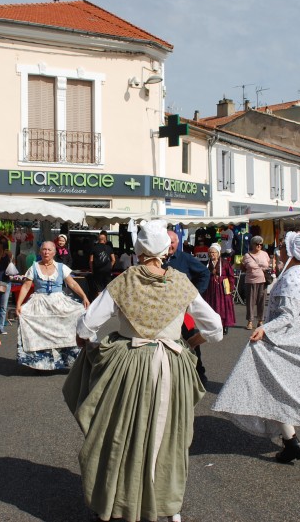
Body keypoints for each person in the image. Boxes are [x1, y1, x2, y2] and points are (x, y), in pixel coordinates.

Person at [63, 220, 223, 522]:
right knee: (168, 435)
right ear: (166, 250)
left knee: (121, 433)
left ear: (138, 250)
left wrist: (88, 343)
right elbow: (215, 328)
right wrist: (190, 341)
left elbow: (86, 325)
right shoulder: (181, 283)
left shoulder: (124, 281)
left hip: (130, 364)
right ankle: (168, 505)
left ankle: (118, 501)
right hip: (172, 365)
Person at [213, 232, 300, 464]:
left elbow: (288, 314)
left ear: (292, 251)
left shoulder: (293, 277)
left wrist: (265, 330)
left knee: (273, 381)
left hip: (296, 336)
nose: (280, 251)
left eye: (283, 248)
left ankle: (292, 443)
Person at [15, 241, 90, 370]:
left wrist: (84, 297)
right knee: (37, 329)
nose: (46, 252)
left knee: (71, 322)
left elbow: (72, 284)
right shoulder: (34, 267)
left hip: (58, 301)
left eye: (49, 250)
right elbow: (26, 286)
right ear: (40, 252)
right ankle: (40, 362)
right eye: (44, 249)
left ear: (54, 253)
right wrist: (19, 304)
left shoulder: (61, 267)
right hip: (39, 302)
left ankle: (70, 359)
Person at [163, 230, 211, 386]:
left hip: (183, 311)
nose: (170, 245)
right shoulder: (159, 259)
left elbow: (205, 273)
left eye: (173, 242)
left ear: (178, 242)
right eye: (167, 241)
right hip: (163, 311)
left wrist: (194, 294)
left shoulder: (186, 258)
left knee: (191, 342)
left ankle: (199, 374)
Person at [203, 243, 236, 335]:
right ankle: (213, 326)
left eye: (213, 252)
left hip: (222, 288)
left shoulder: (225, 263)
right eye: (210, 253)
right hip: (211, 289)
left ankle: (224, 325)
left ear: (218, 253)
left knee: (223, 307)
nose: (212, 254)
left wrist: (231, 287)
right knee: (211, 307)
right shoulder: (207, 263)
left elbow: (231, 276)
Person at [242, 235, 271, 330]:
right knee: (250, 302)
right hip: (250, 281)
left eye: (260, 244)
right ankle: (250, 321)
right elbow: (243, 268)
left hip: (263, 281)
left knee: (261, 301)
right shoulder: (247, 255)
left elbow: (268, 265)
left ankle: (260, 320)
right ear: (252, 245)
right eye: (257, 244)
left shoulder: (265, 254)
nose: (259, 246)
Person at [89, 231, 115, 296]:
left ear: (98, 240)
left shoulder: (94, 248)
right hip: (107, 271)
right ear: (105, 240)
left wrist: (92, 270)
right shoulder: (109, 248)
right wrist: (110, 266)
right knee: (108, 287)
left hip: (97, 271)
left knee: (99, 288)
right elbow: (113, 259)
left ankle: (99, 303)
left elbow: (91, 261)